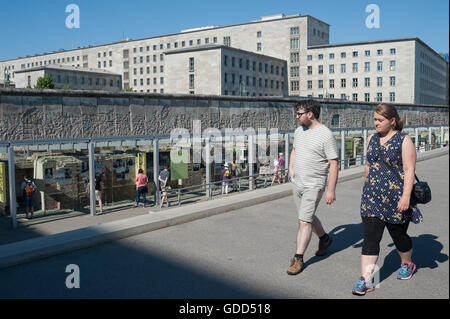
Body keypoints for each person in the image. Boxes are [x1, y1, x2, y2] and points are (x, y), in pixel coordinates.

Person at [352, 103, 422, 296]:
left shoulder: (403, 140)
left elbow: (409, 170)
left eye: (380, 120)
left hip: (396, 199)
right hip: (372, 198)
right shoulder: (371, 139)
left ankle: (407, 263)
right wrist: (366, 186)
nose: (376, 123)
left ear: (392, 121)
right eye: (374, 119)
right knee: (371, 238)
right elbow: (368, 165)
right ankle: (368, 280)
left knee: (399, 237)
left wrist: (406, 196)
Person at [287, 100, 339, 276]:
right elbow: (294, 150)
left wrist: (330, 189)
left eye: (299, 113)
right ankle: (325, 239)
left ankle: (298, 258)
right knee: (306, 217)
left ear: (310, 114)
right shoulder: (299, 131)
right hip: (298, 182)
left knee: (304, 221)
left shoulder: (326, 135)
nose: (296, 116)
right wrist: (291, 168)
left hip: (314, 185)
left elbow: (333, 163)